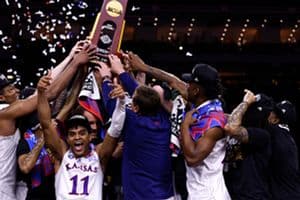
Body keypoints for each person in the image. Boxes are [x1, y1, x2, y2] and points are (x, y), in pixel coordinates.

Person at [125, 52, 229, 199]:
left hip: (208, 195)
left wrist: (184, 125)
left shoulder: (213, 122)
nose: (186, 85)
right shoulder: (203, 103)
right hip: (198, 192)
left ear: (196, 90)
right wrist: (143, 67)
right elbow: (172, 80)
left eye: (190, 83)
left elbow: (192, 159)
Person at [0, 41, 96, 200]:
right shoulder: (4, 114)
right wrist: (75, 63)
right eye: (9, 89)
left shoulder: (12, 116)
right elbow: (47, 94)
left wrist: (70, 58)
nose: (16, 91)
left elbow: (43, 92)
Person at [37, 72, 122, 200]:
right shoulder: (62, 153)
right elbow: (46, 124)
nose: (77, 137)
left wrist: (121, 101)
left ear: (90, 136)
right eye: (72, 134)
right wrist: (41, 93)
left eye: (82, 133)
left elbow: (115, 128)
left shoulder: (98, 154)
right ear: (67, 138)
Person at [100, 54, 174, 200]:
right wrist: (123, 73)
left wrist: (105, 78)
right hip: (166, 196)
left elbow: (111, 105)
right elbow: (144, 96)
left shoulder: (132, 122)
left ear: (135, 107)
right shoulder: (166, 120)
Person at [224, 90, 273, 199]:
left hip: (252, 195)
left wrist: (245, 103)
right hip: (234, 192)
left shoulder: (262, 135)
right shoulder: (240, 123)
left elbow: (230, 128)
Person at [267, 100, 300, 199]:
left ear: (275, 120)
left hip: (284, 195)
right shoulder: (288, 137)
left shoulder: (274, 132)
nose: (268, 114)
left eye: (272, 112)